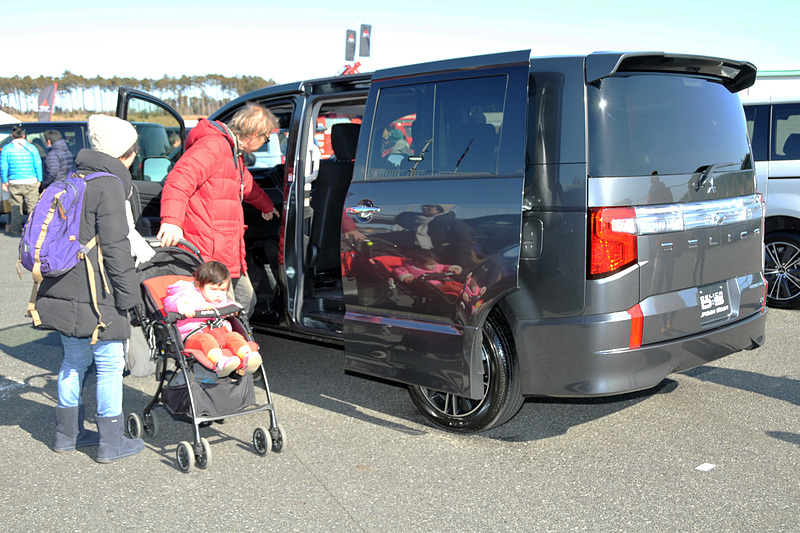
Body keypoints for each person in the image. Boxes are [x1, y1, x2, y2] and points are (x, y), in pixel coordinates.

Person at [33, 114, 145, 463]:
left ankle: (67, 435)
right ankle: (111, 442)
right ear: (124, 153)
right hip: (99, 293)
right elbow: (116, 249)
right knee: (109, 365)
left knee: (73, 361)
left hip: (63, 284)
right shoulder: (109, 185)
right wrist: (131, 299)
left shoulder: (72, 178)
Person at [158, 103, 279, 317]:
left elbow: (246, 184)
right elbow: (179, 179)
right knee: (224, 309)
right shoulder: (213, 146)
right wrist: (171, 220)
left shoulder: (232, 152)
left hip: (226, 246)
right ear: (254, 134)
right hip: (209, 246)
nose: (264, 143)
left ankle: (233, 336)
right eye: (266, 138)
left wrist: (267, 206)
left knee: (244, 301)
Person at [163, 261, 262, 377]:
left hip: (219, 333)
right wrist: (182, 306)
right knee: (205, 339)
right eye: (213, 289)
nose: (218, 294)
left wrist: (234, 308)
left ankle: (247, 356)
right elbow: (170, 302)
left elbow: (228, 304)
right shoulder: (188, 295)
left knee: (234, 336)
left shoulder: (220, 300)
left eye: (222, 290)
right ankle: (220, 362)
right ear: (199, 285)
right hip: (194, 336)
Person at [0, 125, 42, 235]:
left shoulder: (6, 148)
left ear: (11, 135)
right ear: (24, 135)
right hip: (31, 180)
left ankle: (15, 228)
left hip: (14, 181)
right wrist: (39, 179)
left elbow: (3, 166)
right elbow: (37, 164)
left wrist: (4, 181)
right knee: (32, 205)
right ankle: (33, 229)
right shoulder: (32, 148)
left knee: (15, 206)